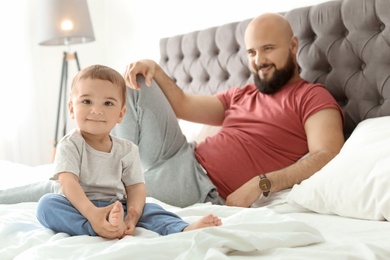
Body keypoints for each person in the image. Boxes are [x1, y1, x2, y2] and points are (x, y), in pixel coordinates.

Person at [0, 13, 344, 212]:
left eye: (268, 49)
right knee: (137, 81)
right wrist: (155, 68)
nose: (258, 61)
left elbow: (326, 153)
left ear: (293, 46)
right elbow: (182, 106)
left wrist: (262, 183)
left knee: (75, 189)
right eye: (252, 52)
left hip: (199, 184)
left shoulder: (310, 98)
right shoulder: (244, 92)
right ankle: (102, 161)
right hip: (181, 153)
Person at [35, 64, 222, 239]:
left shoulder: (127, 150)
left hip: (117, 206)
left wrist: (133, 214)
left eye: (108, 104)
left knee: (152, 209)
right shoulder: (70, 144)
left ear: (121, 114)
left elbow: (135, 187)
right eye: (86, 101)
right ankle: (97, 228)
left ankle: (183, 228)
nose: (97, 110)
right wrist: (93, 214)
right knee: (46, 205)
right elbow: (68, 183)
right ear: (71, 109)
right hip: (79, 206)